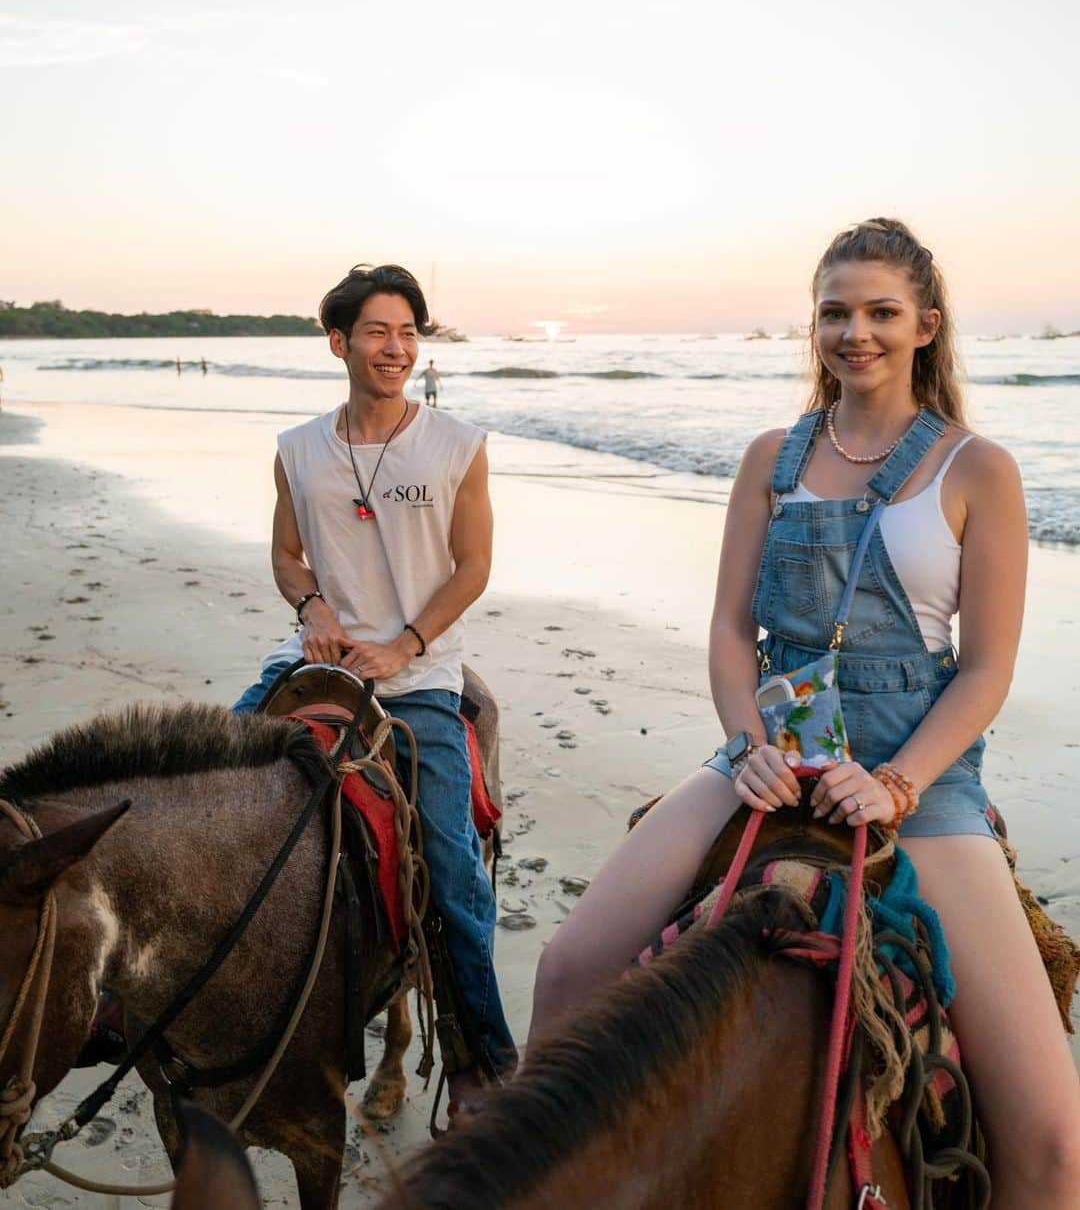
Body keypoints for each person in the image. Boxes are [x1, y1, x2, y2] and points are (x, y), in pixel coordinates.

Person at [529, 219, 1080, 1206]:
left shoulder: (978, 469)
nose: (854, 331)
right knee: (569, 968)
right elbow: (733, 637)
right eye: (835, 311)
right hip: (770, 755)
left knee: (1053, 1143)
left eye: (880, 311)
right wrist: (746, 746)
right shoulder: (769, 459)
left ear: (926, 325)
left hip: (922, 776)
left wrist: (901, 779)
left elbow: (987, 666)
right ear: (813, 323)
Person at [232, 262, 517, 1100]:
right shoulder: (297, 450)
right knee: (205, 776)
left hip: (419, 676)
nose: (395, 348)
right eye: (377, 332)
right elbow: (287, 555)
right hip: (311, 664)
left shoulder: (457, 444)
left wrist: (406, 643)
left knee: (456, 872)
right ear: (339, 342)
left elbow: (474, 566)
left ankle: (490, 1064)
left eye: (407, 332)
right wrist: (312, 600)